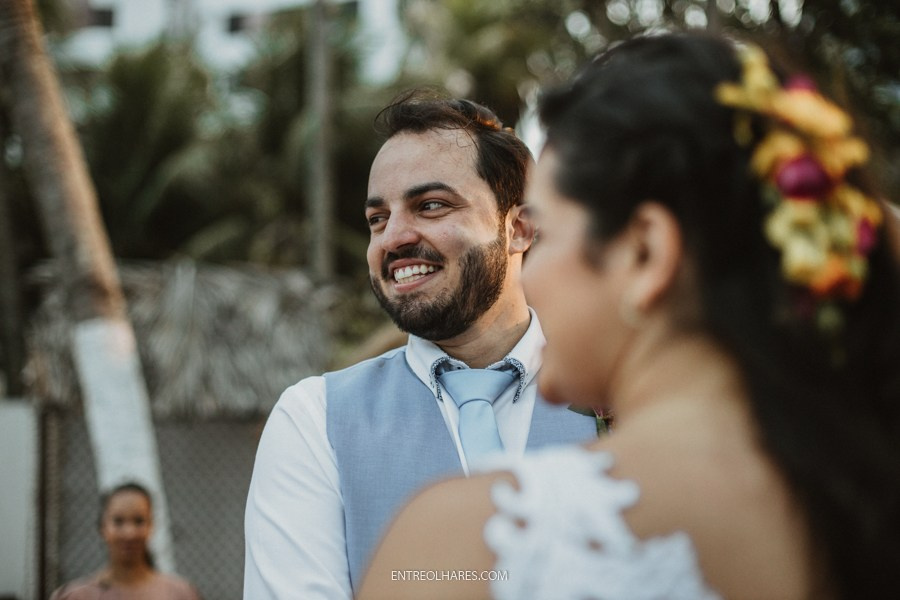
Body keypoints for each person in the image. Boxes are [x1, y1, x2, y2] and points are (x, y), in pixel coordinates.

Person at [359, 32, 900, 600]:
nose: (531, 272)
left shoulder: (471, 538)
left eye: (549, 231)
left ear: (646, 254)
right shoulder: (865, 504)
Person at [243, 91, 598, 598]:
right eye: (377, 218)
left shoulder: (629, 395)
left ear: (519, 228)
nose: (393, 239)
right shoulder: (313, 420)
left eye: (430, 205)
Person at [50, 482, 201, 600]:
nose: (129, 533)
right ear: (103, 527)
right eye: (118, 521)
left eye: (139, 521)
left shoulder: (181, 594)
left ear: (151, 526)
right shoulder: (74, 596)